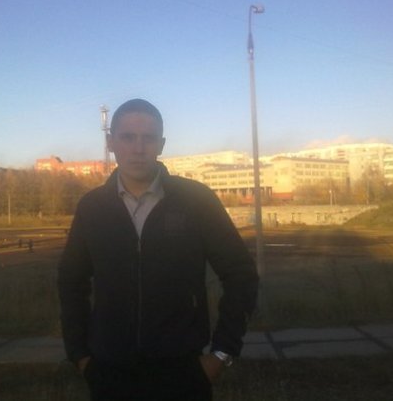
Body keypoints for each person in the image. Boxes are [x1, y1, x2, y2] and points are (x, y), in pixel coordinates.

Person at [58, 99, 259, 401]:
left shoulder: (196, 200)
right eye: (128, 137)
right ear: (111, 143)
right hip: (109, 373)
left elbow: (241, 274)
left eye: (148, 138)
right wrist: (80, 355)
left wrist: (222, 353)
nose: (138, 148)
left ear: (161, 145)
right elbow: (71, 281)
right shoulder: (92, 207)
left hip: (183, 373)